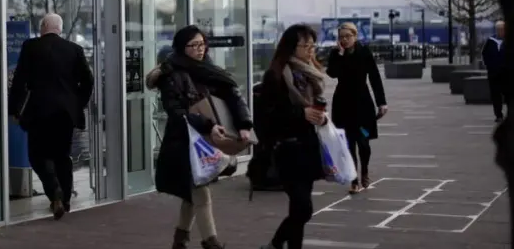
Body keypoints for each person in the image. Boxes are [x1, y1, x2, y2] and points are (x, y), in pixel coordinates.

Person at [145, 25, 253, 249]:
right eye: (193, 45)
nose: (199, 49)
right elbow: (176, 112)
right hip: (184, 141)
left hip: (207, 139)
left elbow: (232, 94)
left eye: (202, 44)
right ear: (181, 47)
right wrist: (208, 124)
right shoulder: (170, 74)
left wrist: (244, 125)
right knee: (200, 192)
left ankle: (180, 238)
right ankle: (210, 242)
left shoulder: (210, 70)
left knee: (192, 193)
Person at [9, 13, 94, 220]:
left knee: (38, 155)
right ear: (60, 28)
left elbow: (19, 80)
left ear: (42, 27)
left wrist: (14, 109)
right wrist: (76, 104)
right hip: (65, 114)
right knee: (62, 156)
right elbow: (88, 81)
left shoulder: (31, 47)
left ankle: (54, 191)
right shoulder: (74, 50)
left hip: (39, 111)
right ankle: (64, 200)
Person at [259, 24, 328, 249]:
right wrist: (301, 113)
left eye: (312, 45)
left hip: (308, 147)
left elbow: (317, 109)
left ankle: (281, 245)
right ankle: (275, 243)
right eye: (305, 46)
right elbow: (267, 117)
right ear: (290, 47)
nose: (310, 50)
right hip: (286, 149)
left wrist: (322, 118)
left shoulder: (310, 75)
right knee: (302, 208)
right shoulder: (276, 75)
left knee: (299, 210)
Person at [326, 22, 387, 194]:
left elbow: (375, 77)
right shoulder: (336, 53)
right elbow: (332, 73)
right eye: (341, 37)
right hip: (342, 104)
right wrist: (340, 54)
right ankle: (354, 180)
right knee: (348, 144)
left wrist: (381, 102)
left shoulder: (364, 52)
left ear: (355, 36)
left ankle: (365, 171)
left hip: (363, 104)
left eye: (347, 36)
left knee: (363, 142)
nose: (344, 40)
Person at [481, 20, 506, 122]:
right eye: (499, 29)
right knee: (496, 95)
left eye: (502, 29)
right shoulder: (491, 41)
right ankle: (498, 115)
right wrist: (490, 66)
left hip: (508, 74)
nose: (501, 31)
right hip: (494, 73)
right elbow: (485, 55)